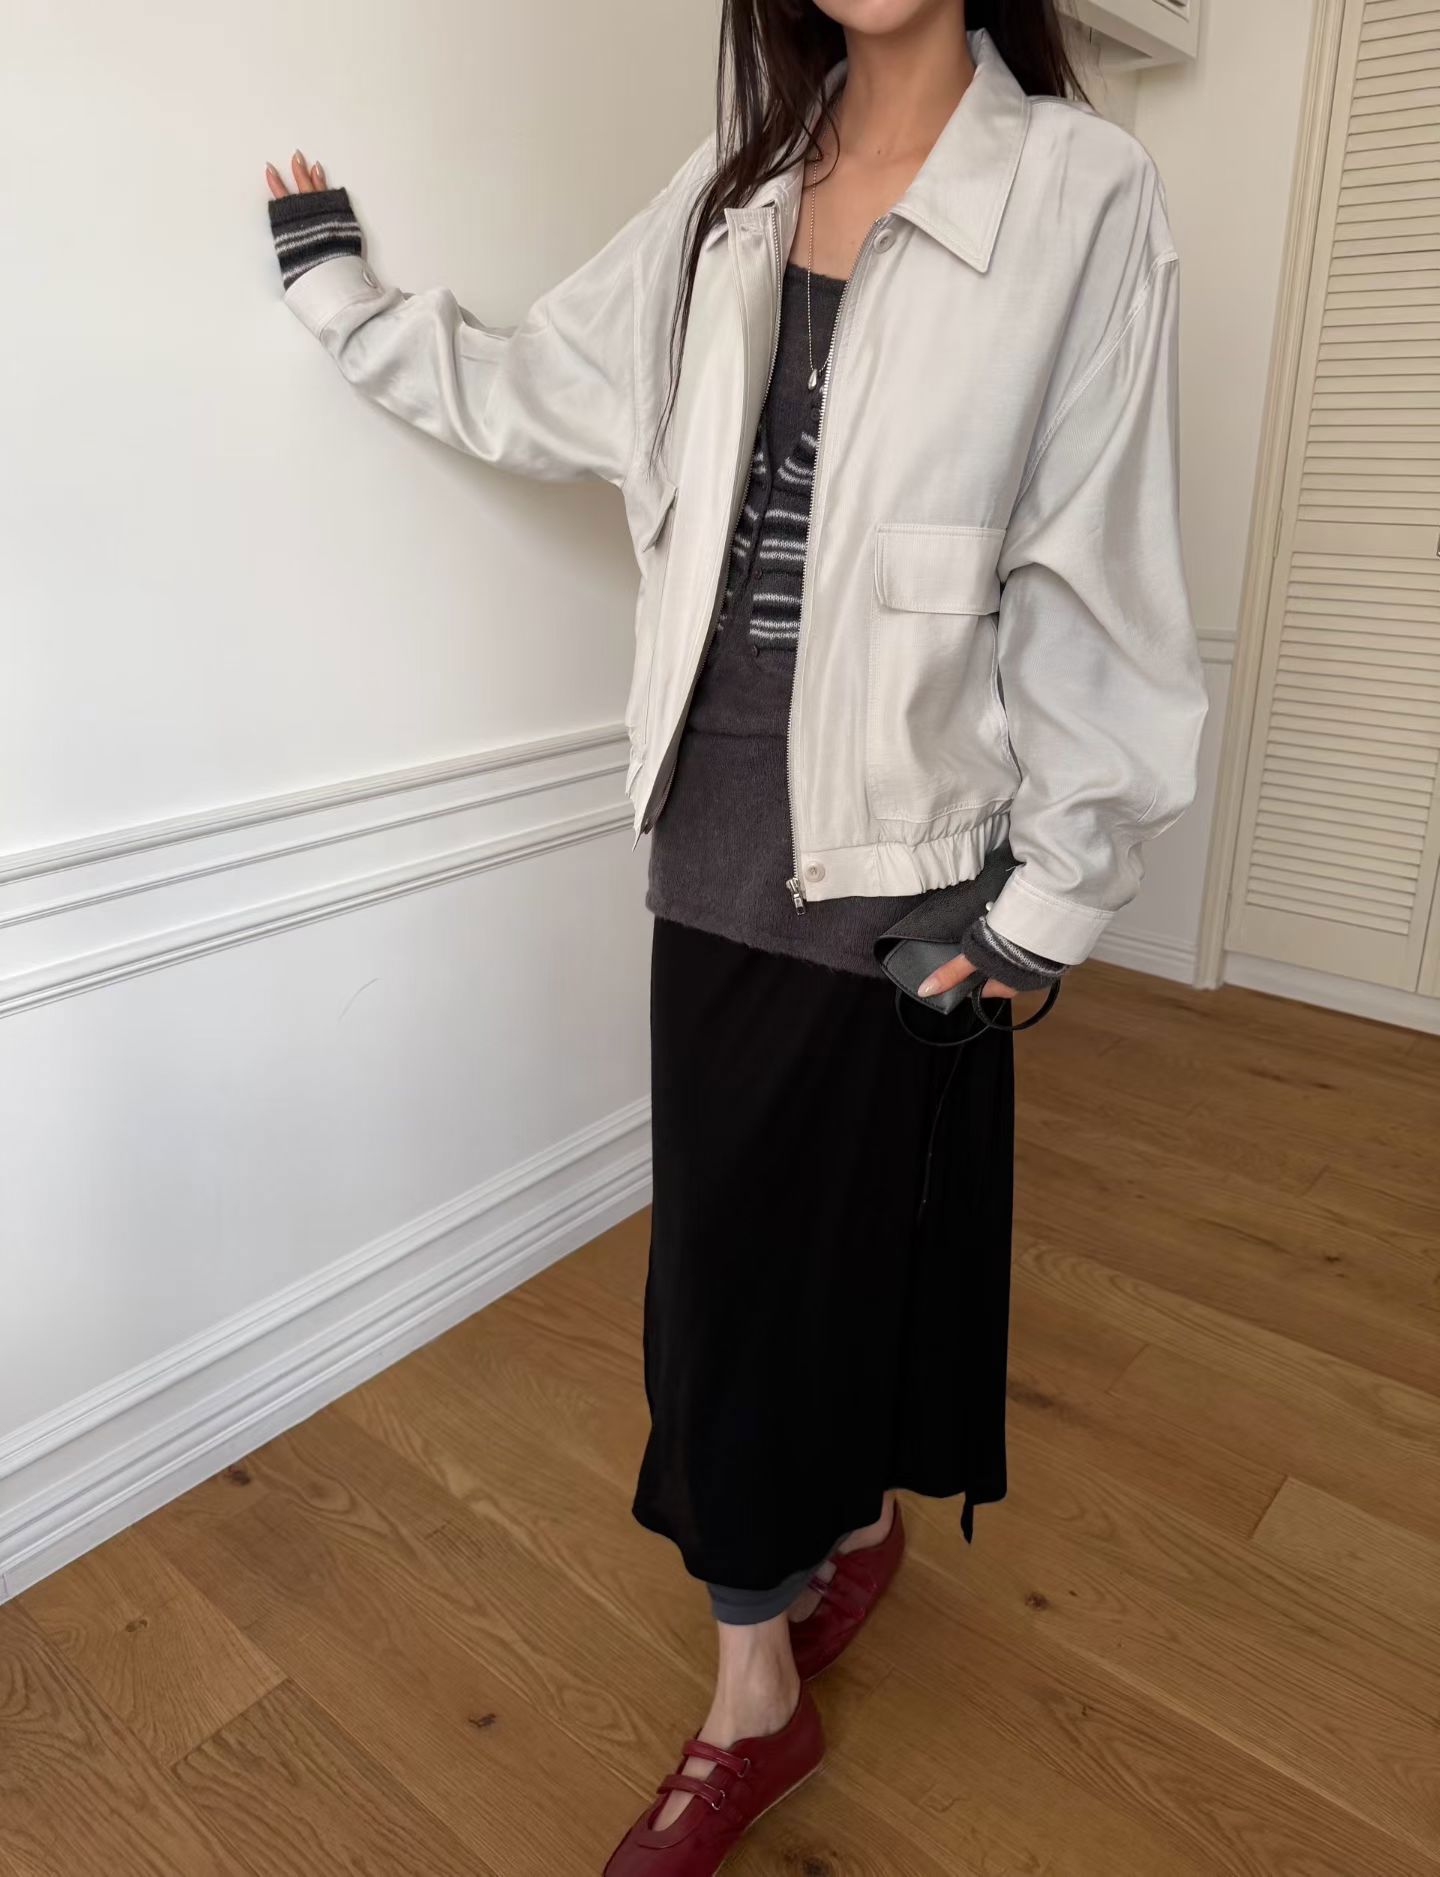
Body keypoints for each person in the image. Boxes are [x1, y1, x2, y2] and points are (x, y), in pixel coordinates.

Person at [263, 1, 1207, 1868]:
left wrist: (1049, 903)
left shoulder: (1085, 191)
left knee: (856, 1242)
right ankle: (778, 1638)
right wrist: (344, 300)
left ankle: (798, 1617)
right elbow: (546, 386)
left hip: (916, 848)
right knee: (726, 1272)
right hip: (713, 825)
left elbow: (1101, 558)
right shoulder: (736, 184)